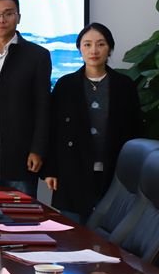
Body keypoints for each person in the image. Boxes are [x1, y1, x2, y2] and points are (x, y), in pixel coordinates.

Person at [44, 23, 142, 223]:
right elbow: (53, 131)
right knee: (73, 233)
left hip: (115, 172)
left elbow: (136, 130)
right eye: (87, 44)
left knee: (110, 232)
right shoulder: (65, 85)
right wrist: (50, 170)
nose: (94, 50)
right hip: (73, 171)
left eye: (100, 44)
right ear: (79, 49)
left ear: (110, 48)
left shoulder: (125, 85)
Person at [0, 0, 52, 197]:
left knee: (20, 212)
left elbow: (43, 108)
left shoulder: (37, 56)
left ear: (18, 17)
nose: (1, 19)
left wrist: (37, 149)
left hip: (20, 152)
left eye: (8, 13)